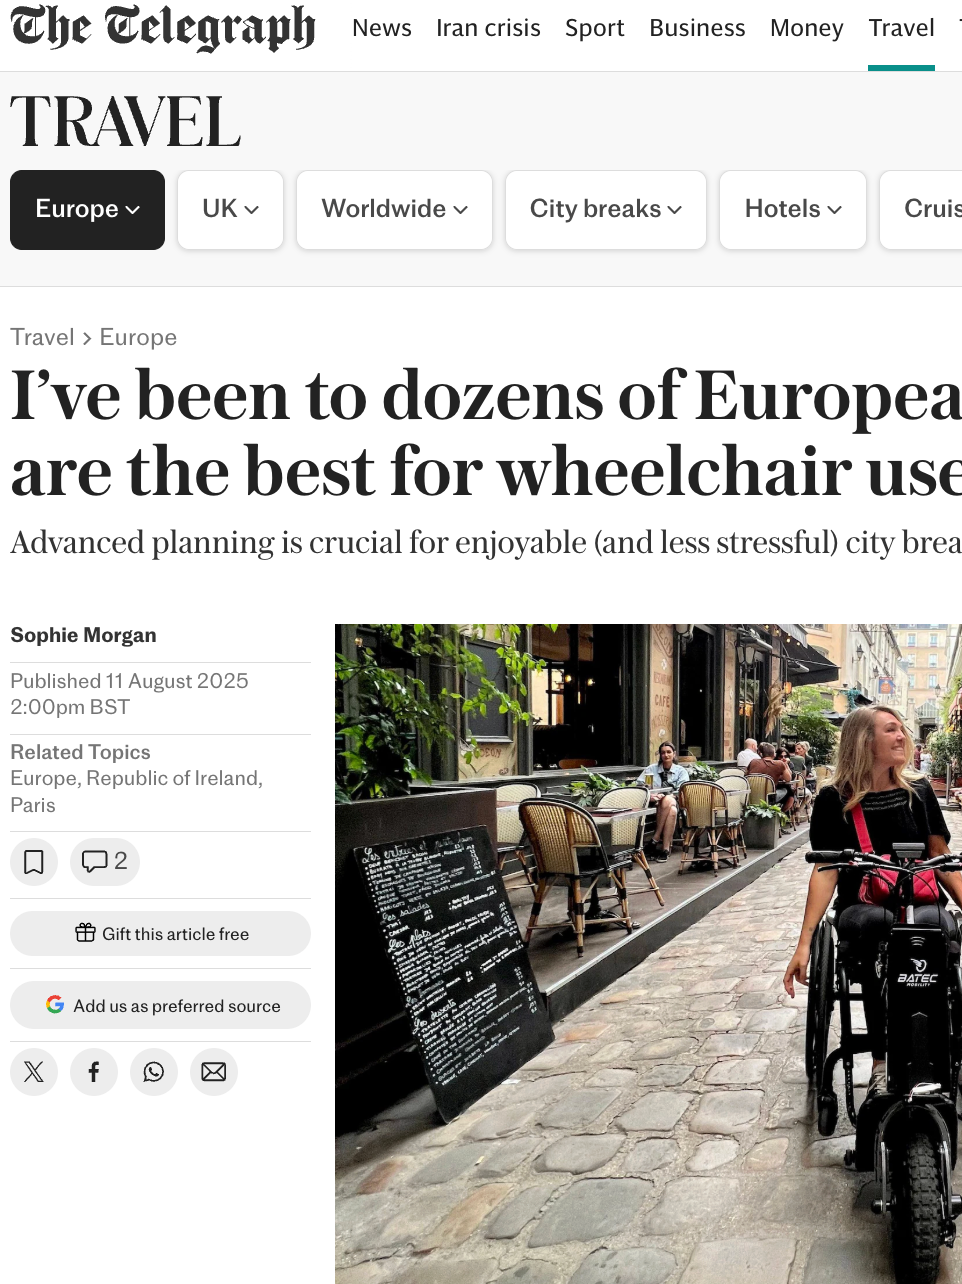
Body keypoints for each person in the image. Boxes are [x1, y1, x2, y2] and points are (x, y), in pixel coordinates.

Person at [783, 705, 962, 1098]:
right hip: (863, 905)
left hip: (918, 895)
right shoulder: (835, 799)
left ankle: (933, 1049)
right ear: (865, 741)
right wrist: (803, 945)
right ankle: (881, 1062)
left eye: (901, 730)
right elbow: (826, 870)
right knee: (877, 927)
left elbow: (941, 858)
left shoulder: (919, 791)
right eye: (891, 730)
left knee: (937, 928)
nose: (902, 737)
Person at [638, 741, 689, 862]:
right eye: (663, 753)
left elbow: (682, 791)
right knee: (672, 811)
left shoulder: (681, 771)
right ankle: (665, 850)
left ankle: (655, 838)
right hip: (653, 804)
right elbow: (639, 786)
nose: (666, 755)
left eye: (668, 752)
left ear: (674, 754)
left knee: (668, 802)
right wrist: (650, 795)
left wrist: (668, 796)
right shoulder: (651, 769)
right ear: (660, 755)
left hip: (674, 800)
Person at [747, 742, 794, 813]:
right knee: (789, 792)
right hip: (769, 797)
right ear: (774, 754)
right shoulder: (779, 764)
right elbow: (788, 779)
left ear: (760, 753)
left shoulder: (753, 762)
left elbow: (746, 775)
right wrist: (785, 764)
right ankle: (779, 814)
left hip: (752, 795)